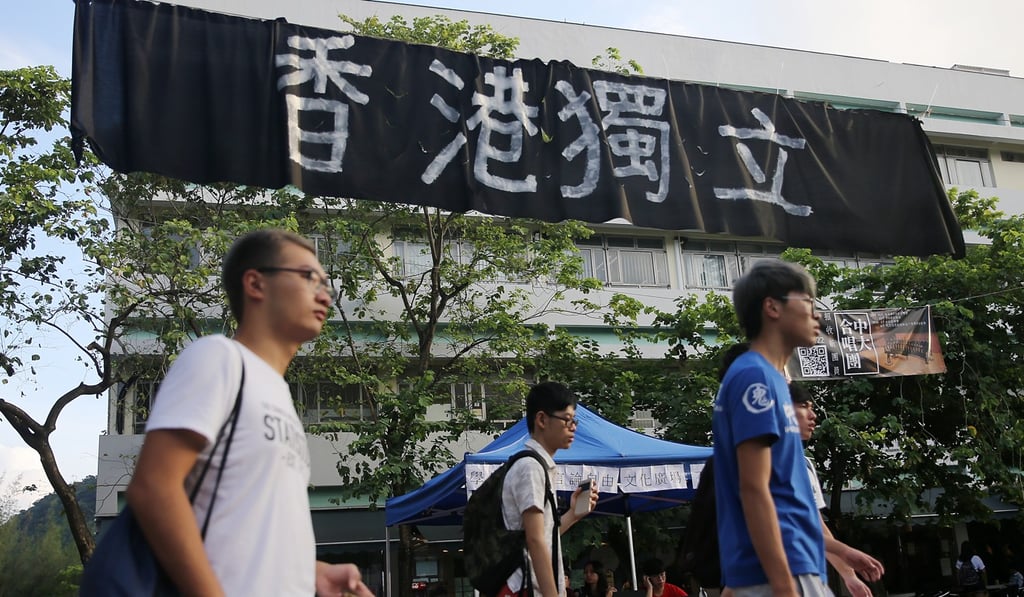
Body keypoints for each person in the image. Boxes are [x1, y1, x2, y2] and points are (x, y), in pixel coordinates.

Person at [125, 229, 374, 597]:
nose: (325, 294)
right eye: (309, 277)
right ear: (256, 283)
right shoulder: (219, 358)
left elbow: (246, 527)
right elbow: (153, 488)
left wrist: (312, 573)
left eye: (327, 284)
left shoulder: (278, 395)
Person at [711, 259, 884, 596]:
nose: (817, 314)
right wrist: (783, 584)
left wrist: (841, 552)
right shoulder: (754, 378)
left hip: (795, 562)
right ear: (772, 307)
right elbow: (754, 489)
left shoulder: (769, 377)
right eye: (807, 303)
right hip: (783, 567)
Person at [499, 381, 598, 597]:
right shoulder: (531, 467)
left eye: (575, 421)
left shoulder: (538, 465)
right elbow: (534, 541)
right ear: (542, 419)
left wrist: (573, 514)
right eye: (566, 419)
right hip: (526, 588)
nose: (573, 427)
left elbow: (542, 536)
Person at [790, 382, 875, 597]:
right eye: (803, 406)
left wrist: (848, 575)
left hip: (807, 574)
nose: (813, 416)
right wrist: (845, 552)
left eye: (812, 407)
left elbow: (816, 526)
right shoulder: (760, 462)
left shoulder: (804, 465)